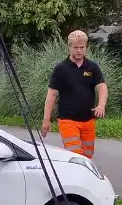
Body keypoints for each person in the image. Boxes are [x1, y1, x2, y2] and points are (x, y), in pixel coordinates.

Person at [40, 30, 107, 159]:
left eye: (82, 47)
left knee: (87, 157)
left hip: (88, 119)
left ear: (86, 47)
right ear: (69, 47)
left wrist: (101, 105)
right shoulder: (61, 69)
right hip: (68, 120)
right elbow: (51, 95)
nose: (79, 51)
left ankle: (84, 179)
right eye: (75, 47)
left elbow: (102, 86)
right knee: (76, 157)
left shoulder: (92, 67)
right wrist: (46, 121)